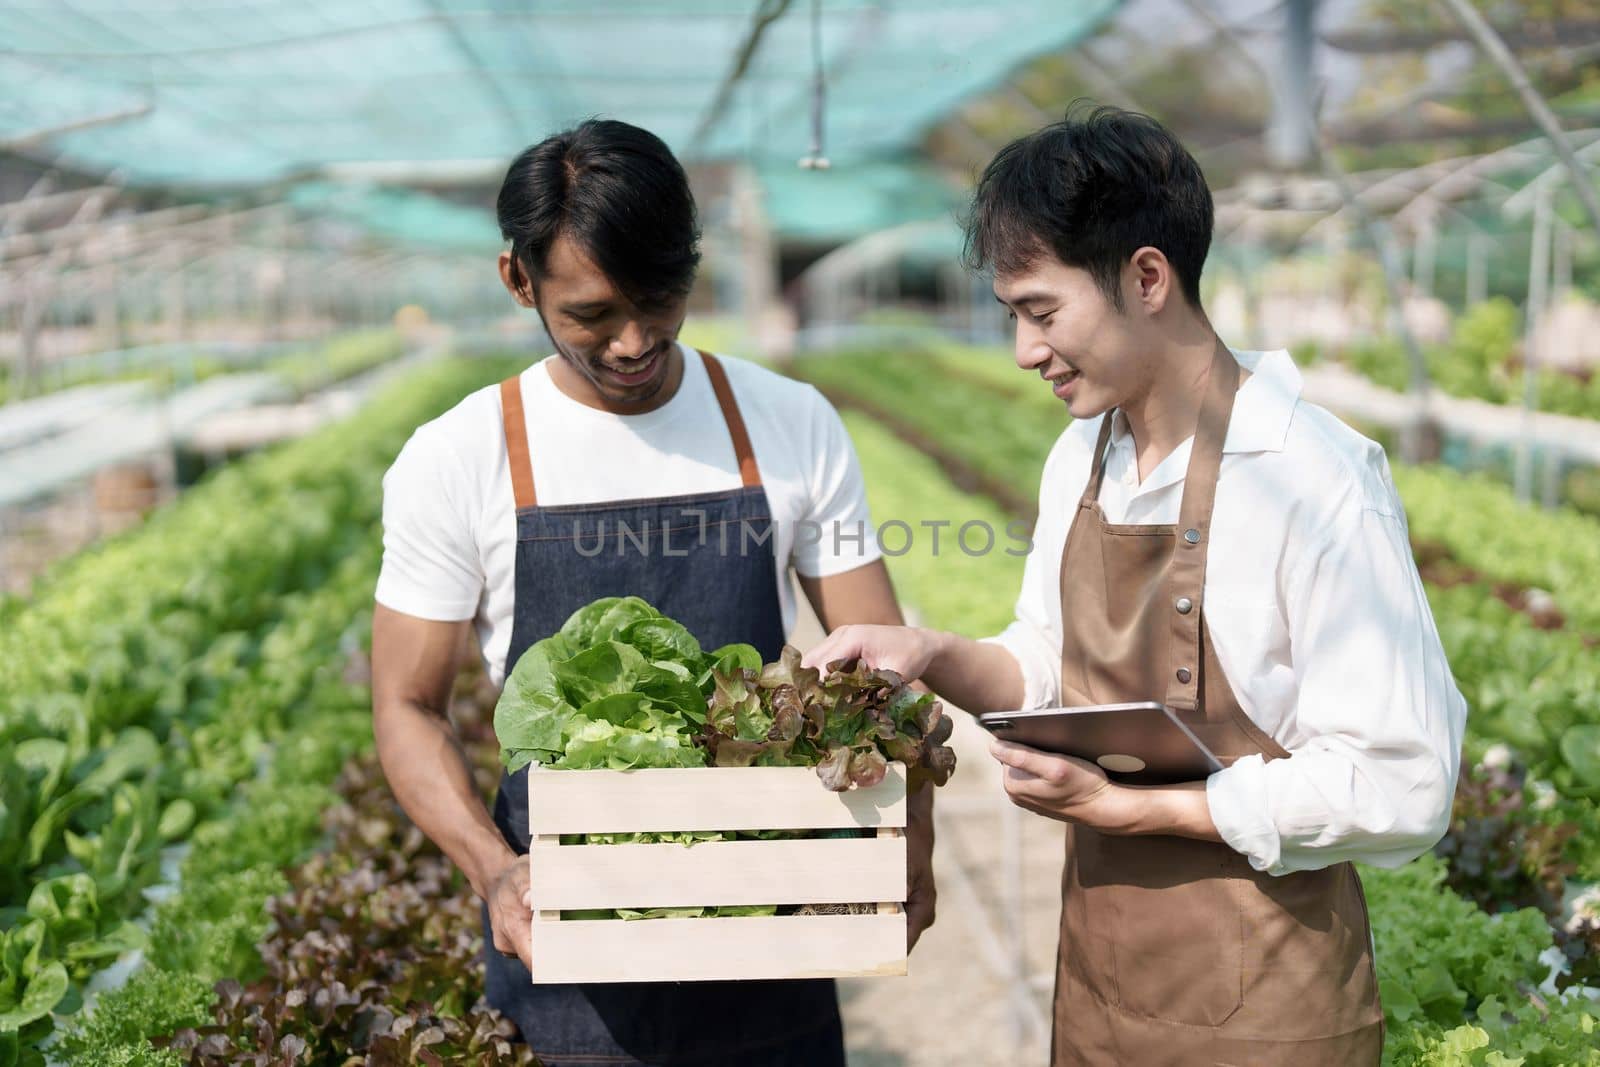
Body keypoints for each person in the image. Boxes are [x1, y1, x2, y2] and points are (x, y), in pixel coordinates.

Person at [805, 104, 1466, 1064]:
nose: (1026, 351)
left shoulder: (1307, 476)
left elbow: (1404, 782)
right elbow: (1046, 662)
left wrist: (1134, 808)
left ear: (1147, 277)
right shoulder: (1084, 456)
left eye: (1042, 311)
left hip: (1267, 1017)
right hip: (1101, 996)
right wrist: (932, 653)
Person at [369, 118, 934, 1067]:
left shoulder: (787, 421)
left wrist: (911, 838)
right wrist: (495, 870)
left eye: (661, 298)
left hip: (772, 921)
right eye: (593, 313)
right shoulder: (459, 457)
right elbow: (407, 703)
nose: (635, 341)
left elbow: (884, 661)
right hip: (568, 945)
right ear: (519, 281)